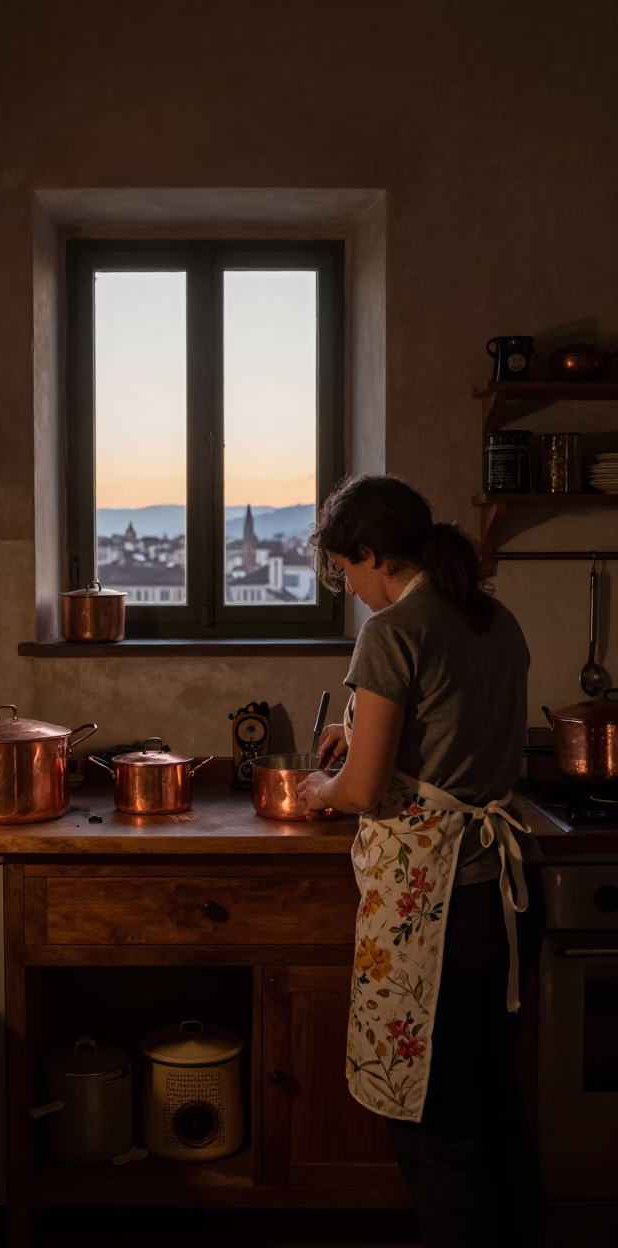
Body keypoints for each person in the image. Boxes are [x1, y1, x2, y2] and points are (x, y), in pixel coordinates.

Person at [296, 474, 545, 1248]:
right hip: (506, 901)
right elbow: (452, 725)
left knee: (434, 1132)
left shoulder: (394, 630)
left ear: (372, 555)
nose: (353, 591)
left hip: (438, 908)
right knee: (493, 1109)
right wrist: (357, 729)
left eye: (346, 572)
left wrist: (320, 788)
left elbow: (366, 787)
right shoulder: (491, 616)